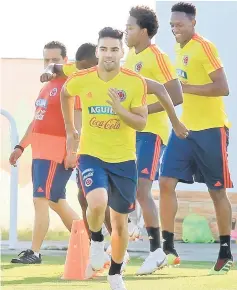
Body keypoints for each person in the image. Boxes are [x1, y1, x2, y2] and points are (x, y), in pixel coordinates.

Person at [58, 27, 187, 290]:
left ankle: (115, 274)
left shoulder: (134, 82)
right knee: (96, 202)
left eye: (114, 49)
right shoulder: (83, 78)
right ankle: (96, 241)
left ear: (121, 52)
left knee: (119, 224)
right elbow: (66, 94)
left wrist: (119, 110)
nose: (108, 54)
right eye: (103, 49)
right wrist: (71, 129)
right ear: (97, 51)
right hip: (91, 154)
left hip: (124, 160)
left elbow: (140, 123)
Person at [159, 2, 233, 274]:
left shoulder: (205, 47)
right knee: (165, 182)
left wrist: (186, 87)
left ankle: (225, 251)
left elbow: (222, 87)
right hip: (184, 129)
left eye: (179, 24)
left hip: (212, 129)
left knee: (216, 191)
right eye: (171, 26)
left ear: (192, 23)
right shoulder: (178, 50)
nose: (175, 29)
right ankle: (167, 250)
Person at [124, 5, 183, 274]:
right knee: (126, 188)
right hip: (129, 132)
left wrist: (145, 111)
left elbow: (176, 95)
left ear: (144, 31)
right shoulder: (127, 59)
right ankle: (122, 243)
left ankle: (157, 251)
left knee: (142, 190)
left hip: (151, 131)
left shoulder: (157, 56)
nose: (126, 32)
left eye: (130, 28)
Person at [9, 41, 80, 264]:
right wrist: (20, 147)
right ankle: (90, 244)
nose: (50, 64)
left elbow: (78, 121)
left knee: (41, 199)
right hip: (40, 152)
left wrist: (73, 151)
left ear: (65, 61)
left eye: (55, 60)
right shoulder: (45, 87)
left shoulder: (71, 84)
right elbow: (36, 122)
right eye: (46, 59)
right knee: (56, 201)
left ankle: (35, 252)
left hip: (55, 152)